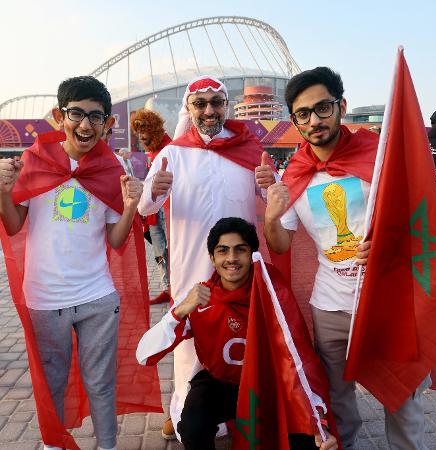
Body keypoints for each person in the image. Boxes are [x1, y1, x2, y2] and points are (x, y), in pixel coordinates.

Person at [264, 67, 430, 450]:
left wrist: (391, 243)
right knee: (338, 401)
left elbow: (420, 220)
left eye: (322, 108)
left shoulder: (379, 157)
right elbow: (281, 244)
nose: (314, 120)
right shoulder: (294, 175)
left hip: (388, 304)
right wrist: (271, 217)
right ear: (294, 121)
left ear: (341, 106)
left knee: (402, 401)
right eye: (302, 114)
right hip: (330, 307)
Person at [0, 76, 147, 450]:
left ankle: (108, 446)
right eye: (76, 113)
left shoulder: (111, 169)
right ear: (57, 116)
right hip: (46, 299)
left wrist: (130, 207)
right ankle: (53, 445)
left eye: (95, 117)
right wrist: (3, 193)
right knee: (52, 380)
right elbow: (14, 224)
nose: (85, 125)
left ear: (107, 124)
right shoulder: (36, 162)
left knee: (100, 380)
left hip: (97, 296)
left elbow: (116, 241)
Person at [137, 75, 277, 439]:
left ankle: (236, 409)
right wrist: (155, 190)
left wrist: (270, 184)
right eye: (201, 104)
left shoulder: (249, 151)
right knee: (189, 339)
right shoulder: (173, 154)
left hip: (238, 268)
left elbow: (273, 204)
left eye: (216, 102)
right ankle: (183, 409)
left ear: (226, 106)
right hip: (191, 267)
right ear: (189, 108)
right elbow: (144, 206)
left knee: (238, 336)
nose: (209, 110)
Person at [136, 217, 338, 450]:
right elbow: (144, 355)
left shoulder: (272, 291)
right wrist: (180, 311)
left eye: (240, 250)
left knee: (308, 440)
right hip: (220, 383)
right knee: (192, 427)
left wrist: (318, 420)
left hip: (268, 383)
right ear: (212, 257)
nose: (231, 258)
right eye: (223, 251)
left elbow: (300, 358)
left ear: (252, 255)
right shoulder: (200, 298)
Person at [131, 108, 172, 304]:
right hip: (153, 210)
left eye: (144, 130)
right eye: (138, 132)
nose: (141, 136)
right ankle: (167, 287)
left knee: (171, 249)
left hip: (168, 209)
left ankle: (175, 287)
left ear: (155, 129)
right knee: (159, 250)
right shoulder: (152, 152)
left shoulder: (170, 149)